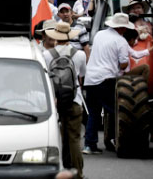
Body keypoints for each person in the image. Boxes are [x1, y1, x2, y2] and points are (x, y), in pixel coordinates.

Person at [83, 13, 146, 154]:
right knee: (117, 111)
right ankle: (117, 140)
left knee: (93, 113)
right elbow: (123, 64)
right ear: (122, 28)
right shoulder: (120, 41)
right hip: (105, 79)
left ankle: (89, 145)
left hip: (90, 79)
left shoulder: (99, 34)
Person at [42, 22, 86, 177]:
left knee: (58, 136)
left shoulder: (47, 55)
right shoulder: (80, 54)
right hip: (75, 100)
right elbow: (81, 76)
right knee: (74, 138)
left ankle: (60, 170)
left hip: (55, 101)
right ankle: (78, 173)